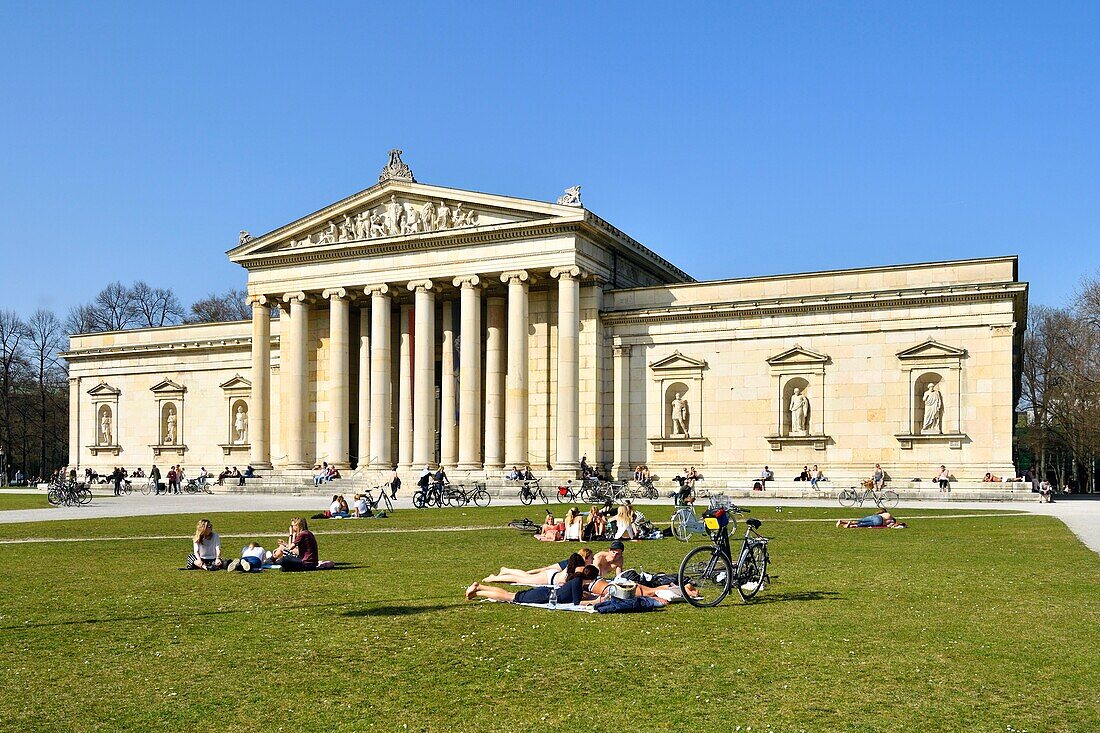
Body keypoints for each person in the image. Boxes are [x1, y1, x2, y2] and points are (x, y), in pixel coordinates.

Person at [466, 565, 601, 605]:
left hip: (545, 593)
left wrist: (586, 596)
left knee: (511, 595)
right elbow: (577, 602)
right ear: (590, 578)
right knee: (510, 597)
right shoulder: (578, 581)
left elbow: (574, 595)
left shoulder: (577, 579)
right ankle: (478, 591)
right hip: (544, 596)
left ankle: (480, 588)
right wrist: (596, 600)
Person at [482, 548, 594, 585]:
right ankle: (493, 578)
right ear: (586, 558)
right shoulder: (578, 567)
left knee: (525, 576)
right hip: (550, 578)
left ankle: (506, 570)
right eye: (591, 558)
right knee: (522, 580)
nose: (593, 560)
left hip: (551, 575)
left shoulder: (576, 564)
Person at [836, 509, 907, 529]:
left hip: (876, 517)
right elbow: (889, 526)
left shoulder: (887, 514)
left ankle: (842, 521)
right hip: (879, 521)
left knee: (861, 520)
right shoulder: (891, 520)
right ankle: (849, 524)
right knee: (863, 524)